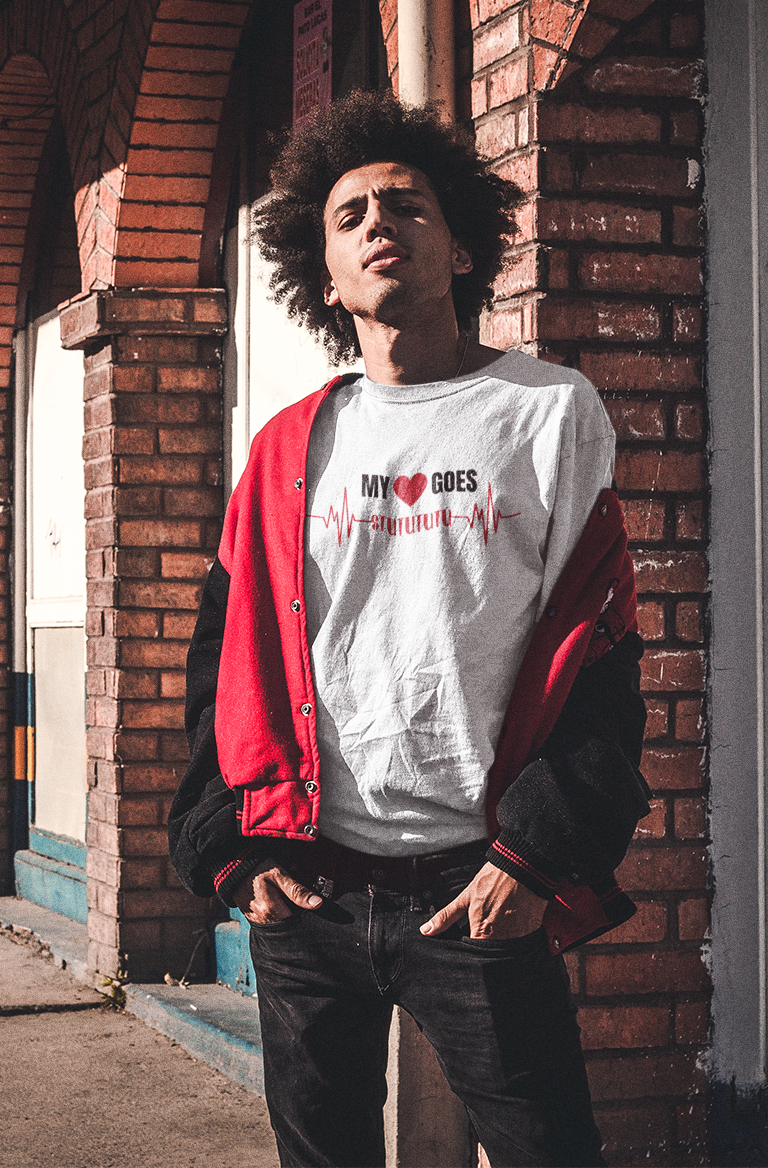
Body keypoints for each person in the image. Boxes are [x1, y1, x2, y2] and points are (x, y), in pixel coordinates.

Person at [168, 91, 649, 1168]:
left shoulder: (548, 411)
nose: (379, 221)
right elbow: (224, 660)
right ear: (324, 274)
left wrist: (535, 855)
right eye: (349, 215)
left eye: (406, 204)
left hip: (477, 886)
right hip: (309, 890)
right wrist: (229, 846)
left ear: (462, 242)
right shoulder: (289, 445)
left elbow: (601, 655)